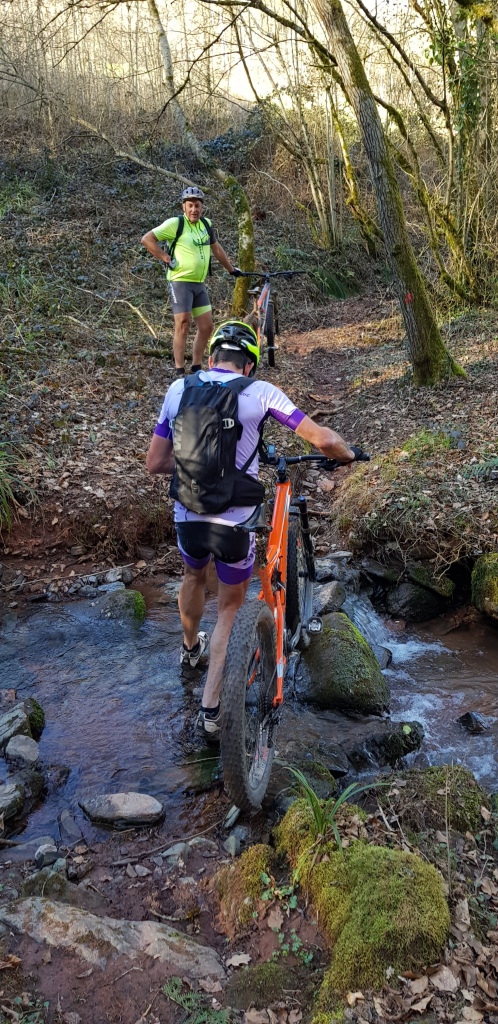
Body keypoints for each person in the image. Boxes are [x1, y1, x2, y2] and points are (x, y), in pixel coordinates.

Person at [146, 321, 358, 741]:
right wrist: (347, 455)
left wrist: (196, 469)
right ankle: (211, 710)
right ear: (249, 366)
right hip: (234, 521)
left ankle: (190, 651)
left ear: (211, 359)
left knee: (191, 577)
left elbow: (155, 462)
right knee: (229, 608)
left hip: (187, 513)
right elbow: (321, 438)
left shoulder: (178, 390)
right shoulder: (260, 393)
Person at [141, 186, 241, 377]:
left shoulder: (206, 224)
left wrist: (231, 269)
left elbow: (217, 249)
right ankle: (179, 370)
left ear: (202, 207)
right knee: (183, 323)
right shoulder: (175, 224)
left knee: (206, 326)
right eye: (190, 206)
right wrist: (165, 258)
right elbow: (147, 239)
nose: (194, 209)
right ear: (183, 207)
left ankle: (196, 367)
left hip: (198, 283)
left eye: (197, 206)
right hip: (180, 282)